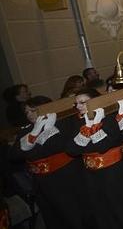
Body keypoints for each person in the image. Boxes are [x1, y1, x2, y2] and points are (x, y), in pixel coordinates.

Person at [69, 88, 123, 229]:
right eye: (76, 103)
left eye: (82, 102)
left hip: (114, 173)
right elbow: (72, 150)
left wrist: (93, 126)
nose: (78, 106)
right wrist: (87, 126)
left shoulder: (108, 118)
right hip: (92, 176)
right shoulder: (77, 122)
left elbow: (103, 146)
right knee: (103, 213)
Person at [11, 96, 90, 228]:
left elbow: (58, 146)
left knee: (74, 216)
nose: (30, 114)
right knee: (53, 218)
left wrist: (46, 130)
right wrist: (34, 134)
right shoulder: (27, 130)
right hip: (42, 183)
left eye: (33, 110)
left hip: (66, 178)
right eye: (27, 112)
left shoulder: (62, 123)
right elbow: (13, 155)